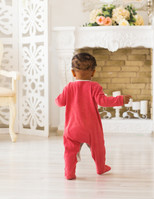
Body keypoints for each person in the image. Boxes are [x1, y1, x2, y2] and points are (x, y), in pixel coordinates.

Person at [55, 52, 131, 180]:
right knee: (98, 149)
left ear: (73, 73)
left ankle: (69, 173)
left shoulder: (69, 87)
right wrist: (121, 99)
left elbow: (59, 102)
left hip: (72, 129)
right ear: (93, 72)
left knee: (70, 152)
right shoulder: (95, 87)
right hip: (91, 129)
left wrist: (62, 95)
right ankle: (100, 168)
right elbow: (104, 102)